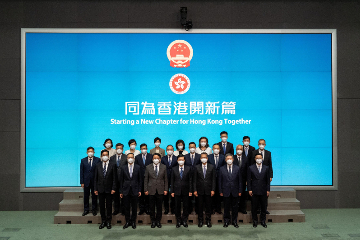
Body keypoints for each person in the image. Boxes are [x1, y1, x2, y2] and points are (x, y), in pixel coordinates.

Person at [94, 150, 117, 229]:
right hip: (100, 189)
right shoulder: (98, 165)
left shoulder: (113, 164)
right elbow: (95, 178)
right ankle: (103, 221)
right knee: (101, 206)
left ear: (108, 156)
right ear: (101, 156)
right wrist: (95, 189)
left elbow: (115, 178)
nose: (105, 156)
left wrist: (114, 188)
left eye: (106, 155)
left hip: (109, 189)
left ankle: (108, 222)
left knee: (109, 206)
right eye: (103, 155)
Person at [144, 153, 168, 228]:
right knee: (151, 207)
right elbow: (146, 179)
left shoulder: (164, 167)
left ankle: (158, 221)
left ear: (160, 159)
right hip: (151, 189)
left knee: (159, 207)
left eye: (157, 158)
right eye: (154, 158)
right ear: (152, 159)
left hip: (161, 189)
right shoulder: (148, 167)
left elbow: (166, 179)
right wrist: (145, 189)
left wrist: (166, 189)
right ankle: (153, 221)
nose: (156, 159)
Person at [218, 154, 242, 228]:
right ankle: (226, 221)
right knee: (226, 207)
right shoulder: (221, 169)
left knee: (235, 207)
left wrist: (240, 190)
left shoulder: (237, 168)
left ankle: (234, 221)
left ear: (233, 159)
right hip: (225, 191)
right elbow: (220, 181)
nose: (229, 160)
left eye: (230, 158)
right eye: (227, 158)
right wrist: (220, 191)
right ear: (225, 160)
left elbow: (240, 181)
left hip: (235, 191)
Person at [119, 153, 142, 229]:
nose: (130, 158)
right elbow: (121, 180)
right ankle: (127, 221)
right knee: (126, 207)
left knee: (134, 207)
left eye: (131, 157)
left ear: (134, 158)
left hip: (135, 190)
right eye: (128, 157)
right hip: (126, 190)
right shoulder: (123, 167)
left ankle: (133, 222)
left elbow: (140, 180)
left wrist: (139, 190)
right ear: (127, 158)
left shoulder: (138, 167)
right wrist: (121, 191)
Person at [248, 153, 270, 228]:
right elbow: (249, 180)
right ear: (255, 159)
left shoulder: (266, 168)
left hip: (263, 190)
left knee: (263, 207)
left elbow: (267, 181)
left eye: (260, 158)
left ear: (262, 159)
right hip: (254, 190)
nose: (258, 159)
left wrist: (268, 190)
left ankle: (263, 221)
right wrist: (249, 189)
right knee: (254, 207)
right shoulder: (251, 168)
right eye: (257, 158)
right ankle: (255, 221)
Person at [193, 153, 216, 228]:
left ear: (207, 158)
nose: (203, 158)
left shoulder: (212, 167)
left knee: (208, 207)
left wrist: (213, 189)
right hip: (199, 191)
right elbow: (194, 180)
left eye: (205, 157)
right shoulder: (196, 167)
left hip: (209, 190)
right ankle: (200, 221)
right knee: (200, 207)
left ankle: (208, 221)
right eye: (202, 157)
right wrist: (195, 190)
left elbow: (213, 180)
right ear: (200, 159)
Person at [251, 139, 273, 214]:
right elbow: (251, 164)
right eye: (260, 143)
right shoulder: (254, 152)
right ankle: (257, 209)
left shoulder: (268, 153)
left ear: (265, 145)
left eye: (262, 144)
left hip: (265, 176)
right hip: (256, 176)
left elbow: (270, 165)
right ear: (258, 144)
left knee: (264, 193)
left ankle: (264, 208)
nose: (261, 145)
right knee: (256, 193)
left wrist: (270, 175)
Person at [170, 154, 192, 228]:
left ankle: (184, 220)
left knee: (186, 206)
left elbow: (190, 181)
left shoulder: (188, 168)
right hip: (176, 190)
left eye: (182, 160)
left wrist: (190, 191)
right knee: (177, 206)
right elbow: (172, 181)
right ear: (177, 161)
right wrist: (172, 191)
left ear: (184, 160)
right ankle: (178, 221)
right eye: (179, 160)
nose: (181, 161)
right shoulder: (174, 169)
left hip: (186, 190)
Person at [80, 147, 100, 216]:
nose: (90, 152)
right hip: (86, 181)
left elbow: (99, 171)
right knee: (86, 196)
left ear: (94, 152)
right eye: (89, 151)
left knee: (94, 196)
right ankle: (86, 209)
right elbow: (81, 172)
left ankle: (94, 210)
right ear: (86, 152)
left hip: (94, 181)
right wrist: (82, 182)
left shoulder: (98, 160)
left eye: (91, 151)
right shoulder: (83, 160)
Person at [134, 143, 153, 215]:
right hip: (140, 178)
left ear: (147, 149)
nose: (143, 150)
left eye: (145, 148)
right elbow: (135, 167)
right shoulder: (137, 157)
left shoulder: (151, 156)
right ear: (140, 149)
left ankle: (147, 208)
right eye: (142, 148)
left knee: (148, 194)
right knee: (140, 194)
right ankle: (141, 208)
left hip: (149, 178)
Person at [109, 143, 127, 216]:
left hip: (124, 179)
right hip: (114, 179)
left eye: (120, 148)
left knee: (123, 195)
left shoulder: (126, 157)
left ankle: (123, 210)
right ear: (115, 149)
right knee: (115, 196)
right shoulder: (112, 158)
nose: (119, 149)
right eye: (117, 148)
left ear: (122, 149)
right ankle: (116, 209)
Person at [208, 143, 225, 214]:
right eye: (215, 148)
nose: (216, 150)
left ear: (220, 150)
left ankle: (218, 209)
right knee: (211, 195)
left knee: (218, 194)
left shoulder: (223, 157)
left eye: (217, 149)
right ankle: (212, 209)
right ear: (212, 149)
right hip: (211, 178)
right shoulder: (209, 157)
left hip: (220, 178)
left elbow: (224, 167)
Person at [184, 142, 201, 214]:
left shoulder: (199, 156)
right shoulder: (186, 156)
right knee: (189, 194)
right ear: (188, 148)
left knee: (197, 194)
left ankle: (197, 209)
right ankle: (190, 209)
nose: (192, 148)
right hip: (187, 177)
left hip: (198, 177)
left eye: (193, 147)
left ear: (195, 147)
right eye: (190, 147)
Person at [161, 145, 177, 214]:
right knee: (165, 194)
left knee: (173, 194)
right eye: (168, 149)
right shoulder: (163, 158)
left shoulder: (176, 158)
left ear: (173, 150)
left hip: (174, 178)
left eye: (171, 149)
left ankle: (173, 209)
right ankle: (166, 209)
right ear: (166, 150)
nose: (169, 151)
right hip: (165, 178)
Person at [233, 144, 249, 214]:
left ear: (242, 150)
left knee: (243, 195)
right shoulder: (232, 158)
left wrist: (247, 180)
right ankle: (235, 208)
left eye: (240, 149)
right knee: (234, 195)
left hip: (243, 180)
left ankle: (242, 208)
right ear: (236, 150)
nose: (239, 150)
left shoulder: (246, 158)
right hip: (234, 180)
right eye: (237, 149)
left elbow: (248, 170)